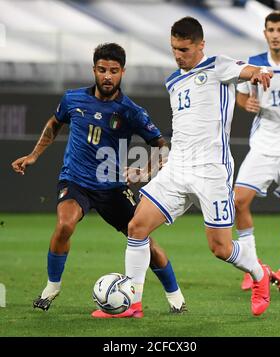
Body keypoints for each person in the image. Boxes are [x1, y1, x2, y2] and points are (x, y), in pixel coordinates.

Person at [11, 43, 186, 318]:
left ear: (122, 72)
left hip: (113, 187)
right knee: (65, 223)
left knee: (143, 241)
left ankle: (176, 298)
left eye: (113, 71)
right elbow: (55, 123)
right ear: (94, 69)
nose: (107, 76)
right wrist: (34, 155)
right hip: (76, 180)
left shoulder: (130, 111)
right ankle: (51, 287)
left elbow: (161, 145)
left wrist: (145, 170)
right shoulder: (73, 99)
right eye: (102, 69)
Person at [120, 16, 273, 318]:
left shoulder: (218, 65)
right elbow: (181, 133)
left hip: (211, 170)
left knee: (220, 248)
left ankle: (259, 274)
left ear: (201, 45)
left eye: (185, 49)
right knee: (137, 227)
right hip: (178, 168)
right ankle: (132, 303)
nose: (178, 55)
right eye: (174, 48)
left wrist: (259, 73)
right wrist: (151, 168)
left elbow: (249, 70)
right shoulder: (173, 81)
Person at [234, 11, 280, 292]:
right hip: (263, 144)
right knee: (238, 201)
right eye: (270, 29)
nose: (275, 34)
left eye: (279, 30)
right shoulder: (255, 65)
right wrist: (245, 103)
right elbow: (240, 94)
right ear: (265, 33)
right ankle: (252, 267)